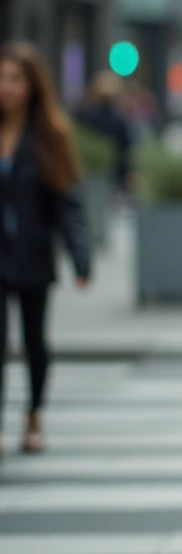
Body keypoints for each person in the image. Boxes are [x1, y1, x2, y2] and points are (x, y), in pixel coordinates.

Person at [0, 41, 91, 456]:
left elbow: (68, 204)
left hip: (33, 254)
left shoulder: (50, 136)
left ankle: (34, 414)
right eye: (1, 78)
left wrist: (81, 258)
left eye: (15, 79)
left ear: (33, 86)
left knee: (34, 340)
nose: (6, 88)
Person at [74, 71, 132, 193]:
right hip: (113, 177)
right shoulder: (119, 121)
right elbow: (125, 152)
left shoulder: (85, 117)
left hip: (87, 177)